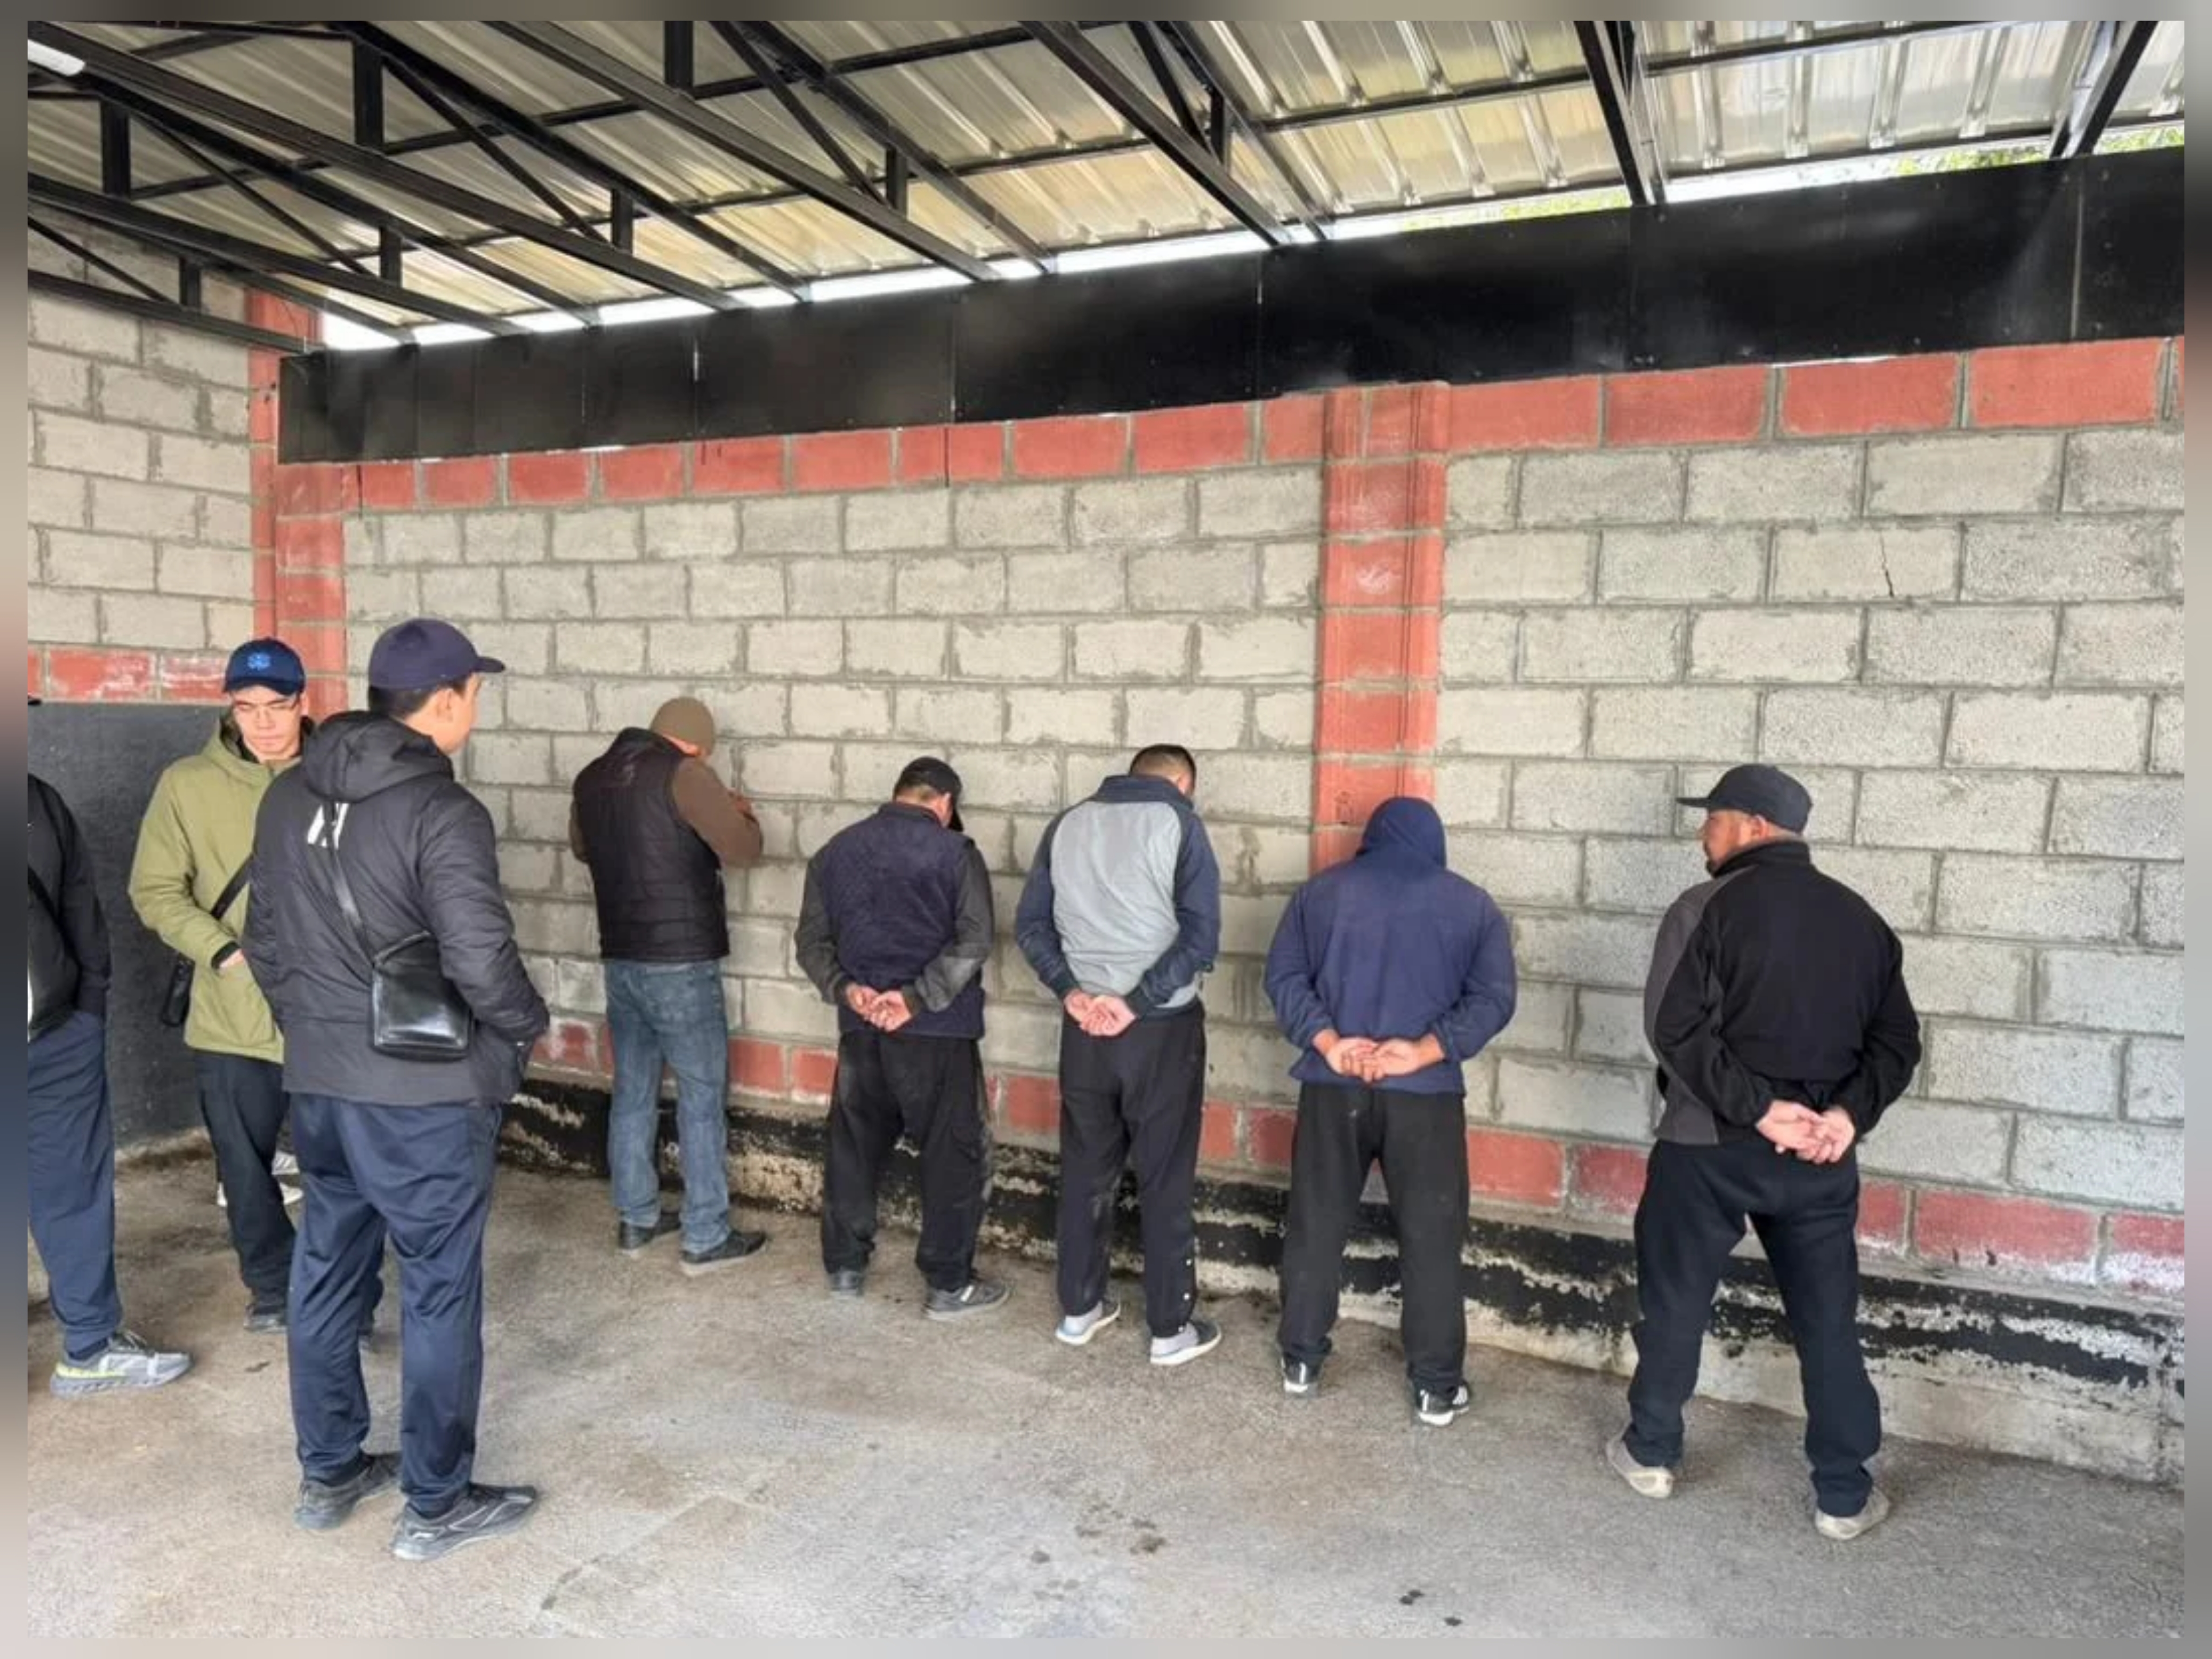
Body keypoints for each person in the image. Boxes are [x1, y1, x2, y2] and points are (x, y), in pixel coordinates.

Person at [247, 619, 549, 1562]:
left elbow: (265, 943)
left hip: (322, 1087)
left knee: (327, 1269)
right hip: (424, 1097)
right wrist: (524, 1026)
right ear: (446, 700)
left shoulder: (286, 795)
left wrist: (316, 1035)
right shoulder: (443, 811)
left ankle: (331, 1469)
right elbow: (480, 958)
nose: (476, 708)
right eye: (475, 693)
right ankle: (436, 1499)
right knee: (438, 1287)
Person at [1608, 764, 1921, 1542]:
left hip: (1707, 1150)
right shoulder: (1862, 921)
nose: (1702, 833)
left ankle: (1651, 1454)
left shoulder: (1702, 908)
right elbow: (1897, 1043)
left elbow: (1674, 1029)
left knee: (1676, 1302)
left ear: (1751, 825)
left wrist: (1757, 1111)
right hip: (1819, 1160)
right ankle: (1843, 1495)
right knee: (1827, 1322)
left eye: (1712, 818)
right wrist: (1845, 1116)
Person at [130, 638, 383, 1339]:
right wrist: (222, 952)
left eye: (277, 705)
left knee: (346, 1167)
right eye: (247, 707)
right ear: (230, 708)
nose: (263, 722)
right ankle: (272, 1287)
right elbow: (154, 889)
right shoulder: (187, 784)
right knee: (244, 1167)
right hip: (232, 1013)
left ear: (304, 702)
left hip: (330, 1011)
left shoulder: (343, 778)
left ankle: (351, 1298)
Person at [1263, 797, 1516, 1426]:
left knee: (1317, 1222)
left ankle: (1301, 1361)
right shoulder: (1471, 905)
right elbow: (1493, 1000)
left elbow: (1284, 978)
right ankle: (1435, 1387)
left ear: (1373, 837)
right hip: (1424, 1097)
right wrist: (1424, 1050)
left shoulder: (1320, 895)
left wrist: (1331, 1043)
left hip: (1333, 1087)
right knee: (1431, 1238)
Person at [1015, 744, 1222, 1366]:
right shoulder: (1180, 825)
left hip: (1084, 1029)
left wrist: (1072, 993)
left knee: (1085, 1167)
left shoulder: (1068, 823)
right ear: (1181, 783)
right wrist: (1136, 1002)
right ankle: (1169, 1329)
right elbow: (1200, 938)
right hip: (1159, 1029)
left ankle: (1079, 1311)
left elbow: (1031, 928)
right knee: (1164, 1175)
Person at [795, 757, 1002, 1317]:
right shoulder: (956, 853)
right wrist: (914, 999)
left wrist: (848, 991)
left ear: (900, 793)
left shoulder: (835, 852)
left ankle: (845, 1267)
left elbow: (811, 943)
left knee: (853, 1148)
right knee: (951, 1154)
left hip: (861, 1027)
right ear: (945, 804)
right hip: (937, 1031)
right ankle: (948, 1284)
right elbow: (975, 941)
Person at [27, 702, 192, 1399]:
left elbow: (78, 905)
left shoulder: (37, 801)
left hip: (52, 1035)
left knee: (74, 1191)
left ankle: (90, 1347)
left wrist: (88, 1005)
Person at [570, 696, 767, 1274]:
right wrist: (741, 813)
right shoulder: (686, 774)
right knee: (702, 1096)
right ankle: (705, 1235)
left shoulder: (592, 776)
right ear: (698, 745)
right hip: (680, 962)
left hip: (620, 957)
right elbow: (744, 850)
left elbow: (583, 848)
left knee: (633, 1089)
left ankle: (637, 1217)